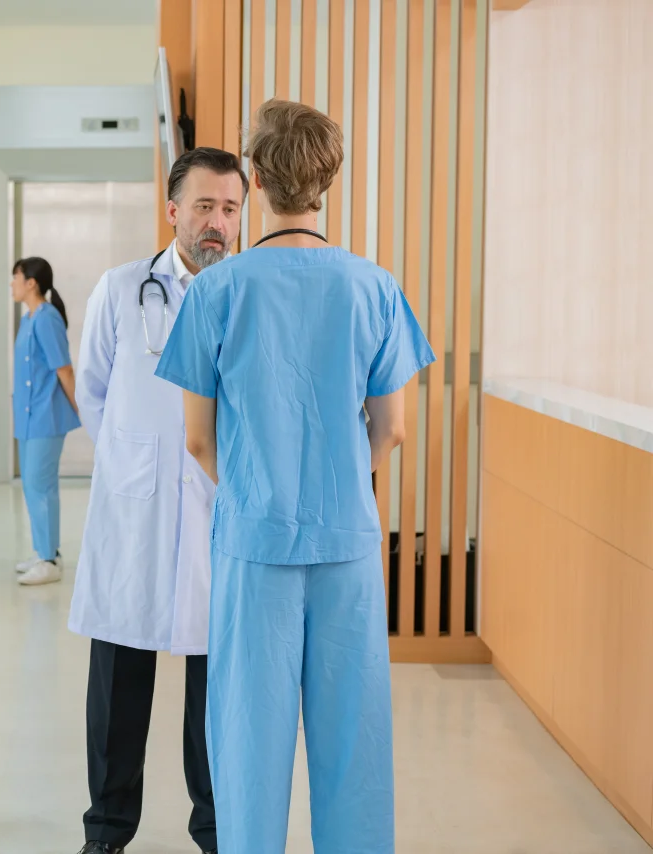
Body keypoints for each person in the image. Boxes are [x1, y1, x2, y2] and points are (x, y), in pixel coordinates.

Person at [155, 99, 435, 854]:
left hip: (254, 544)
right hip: (346, 546)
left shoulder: (215, 291)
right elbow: (395, 427)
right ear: (329, 179)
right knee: (355, 746)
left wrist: (259, 490)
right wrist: (342, 482)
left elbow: (198, 439)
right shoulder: (373, 287)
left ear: (252, 175)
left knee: (248, 747)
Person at [69, 146, 248, 854]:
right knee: (118, 691)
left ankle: (214, 830)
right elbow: (94, 394)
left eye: (230, 209)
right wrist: (137, 460)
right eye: (203, 206)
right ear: (172, 210)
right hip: (133, 515)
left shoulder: (247, 292)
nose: (217, 223)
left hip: (217, 510)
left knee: (215, 694)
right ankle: (107, 831)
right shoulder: (121, 289)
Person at [9, 257, 80, 587]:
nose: (12, 283)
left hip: (46, 416)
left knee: (41, 487)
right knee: (32, 486)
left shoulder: (47, 319)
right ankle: (43, 551)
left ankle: (49, 559)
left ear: (31, 283)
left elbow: (63, 368)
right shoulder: (28, 319)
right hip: (26, 417)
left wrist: (82, 407)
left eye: (16, 277)